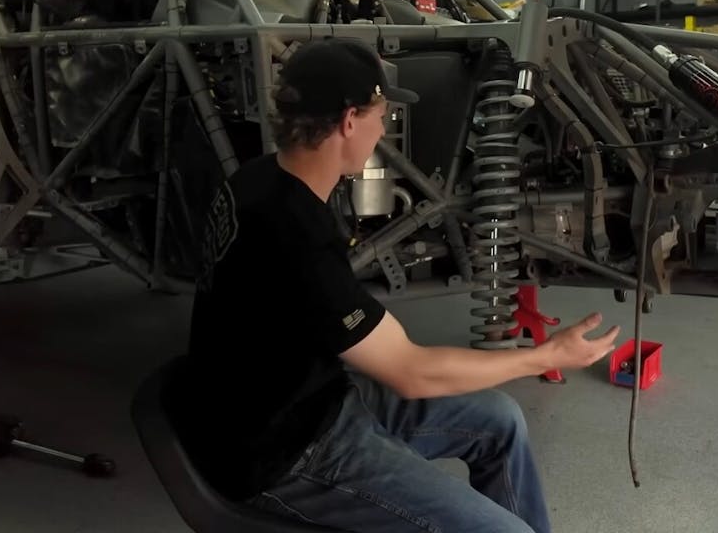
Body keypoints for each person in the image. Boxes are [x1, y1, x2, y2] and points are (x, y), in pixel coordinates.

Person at [173, 38, 620, 533]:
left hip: (309, 399)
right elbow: (411, 372)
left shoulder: (257, 179)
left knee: (500, 420)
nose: (383, 130)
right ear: (349, 121)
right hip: (283, 451)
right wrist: (546, 357)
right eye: (380, 115)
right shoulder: (295, 234)